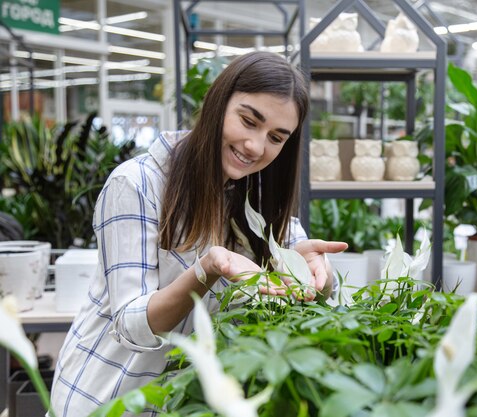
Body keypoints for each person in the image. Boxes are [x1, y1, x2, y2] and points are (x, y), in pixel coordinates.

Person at [49, 51, 348, 417]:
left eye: (276, 137)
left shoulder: (258, 196)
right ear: (218, 102)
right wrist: (206, 271)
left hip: (188, 405)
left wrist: (321, 275)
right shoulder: (138, 184)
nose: (256, 146)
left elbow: (304, 267)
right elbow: (132, 325)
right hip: (109, 400)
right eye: (248, 121)